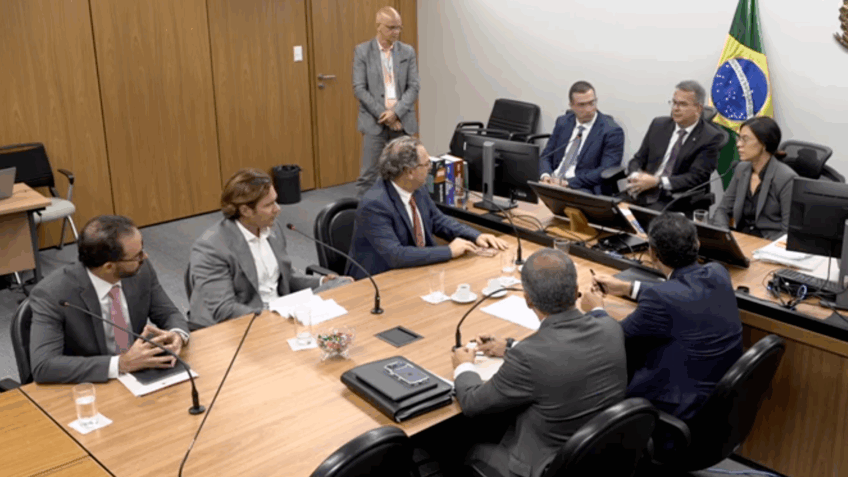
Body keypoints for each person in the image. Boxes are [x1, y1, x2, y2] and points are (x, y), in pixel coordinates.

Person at [451, 248, 627, 477]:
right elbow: (564, 355)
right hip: (600, 460)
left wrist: (463, 365)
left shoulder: (528, 356)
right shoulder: (611, 328)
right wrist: (510, 346)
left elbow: (473, 404)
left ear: (527, 300)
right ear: (576, 291)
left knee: (458, 446)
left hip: (545, 468)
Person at [585, 212, 742, 421]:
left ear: (652, 254)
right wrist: (626, 288)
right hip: (713, 402)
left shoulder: (660, 300)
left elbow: (612, 340)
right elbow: (682, 292)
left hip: (676, 410)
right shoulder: (718, 272)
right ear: (697, 243)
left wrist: (596, 310)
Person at [29, 215, 189, 384]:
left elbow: (168, 313)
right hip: (91, 382)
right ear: (109, 266)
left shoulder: (141, 270)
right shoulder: (52, 294)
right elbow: (44, 366)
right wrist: (120, 364)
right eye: (137, 256)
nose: (145, 257)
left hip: (142, 373)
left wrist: (177, 334)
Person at [189, 169, 351, 328]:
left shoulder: (271, 228)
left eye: (275, 201)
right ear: (245, 210)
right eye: (268, 205)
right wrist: (275, 317)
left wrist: (322, 282)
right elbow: (224, 309)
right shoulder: (211, 248)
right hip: (240, 325)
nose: (277, 209)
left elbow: (285, 279)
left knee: (343, 294)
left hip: (279, 310)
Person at [347, 136, 507, 280]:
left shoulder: (417, 188)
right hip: (378, 281)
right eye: (426, 164)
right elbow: (395, 255)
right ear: (409, 172)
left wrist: (475, 236)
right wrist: (449, 251)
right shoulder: (375, 204)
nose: (430, 167)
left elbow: (438, 220)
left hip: (415, 272)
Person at [353, 6, 420, 197]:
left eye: (399, 27)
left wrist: (396, 113)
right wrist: (385, 116)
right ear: (379, 26)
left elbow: (414, 86)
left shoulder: (407, 52)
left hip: (402, 122)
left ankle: (404, 213)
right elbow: (359, 88)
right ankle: (364, 215)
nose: (396, 32)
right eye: (391, 27)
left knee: (406, 174)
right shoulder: (363, 51)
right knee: (368, 176)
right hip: (375, 123)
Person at [625, 80, 724, 210]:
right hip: (643, 191)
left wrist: (657, 182)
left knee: (642, 218)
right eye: (674, 103)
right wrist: (635, 176)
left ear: (698, 108)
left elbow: (696, 177)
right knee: (609, 209)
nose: (675, 108)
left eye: (682, 104)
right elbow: (638, 159)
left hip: (674, 198)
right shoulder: (659, 125)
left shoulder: (710, 137)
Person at [712, 116, 797, 240]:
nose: (738, 144)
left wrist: (762, 247)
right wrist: (725, 236)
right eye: (739, 138)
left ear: (764, 144)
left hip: (768, 243)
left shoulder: (786, 178)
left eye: (745, 139)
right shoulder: (741, 169)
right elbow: (722, 210)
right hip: (741, 238)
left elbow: (788, 231)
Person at [539, 81, 624, 195]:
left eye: (591, 103)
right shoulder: (563, 122)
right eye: (582, 105)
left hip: (583, 187)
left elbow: (605, 170)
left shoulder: (612, 131)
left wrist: (567, 183)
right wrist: (545, 176)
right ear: (571, 105)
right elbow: (546, 155)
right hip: (553, 180)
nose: (588, 109)